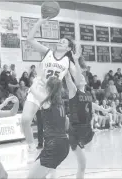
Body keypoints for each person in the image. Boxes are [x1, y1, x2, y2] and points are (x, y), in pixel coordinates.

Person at [21, 16, 83, 160]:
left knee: (61, 125)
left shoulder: (68, 61)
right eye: (60, 40)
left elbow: (79, 81)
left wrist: (77, 60)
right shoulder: (47, 52)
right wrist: (41, 21)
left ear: (68, 48)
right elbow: (29, 39)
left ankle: (74, 138)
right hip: (38, 89)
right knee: (25, 120)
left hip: (52, 95)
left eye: (64, 42)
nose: (60, 41)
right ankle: (31, 145)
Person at [64, 54, 111, 179]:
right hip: (75, 131)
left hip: (85, 130)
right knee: (82, 164)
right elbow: (68, 77)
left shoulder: (88, 93)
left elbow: (91, 104)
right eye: (79, 76)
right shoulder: (73, 90)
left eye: (83, 76)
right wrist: (69, 61)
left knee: (83, 165)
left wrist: (102, 108)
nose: (82, 77)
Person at [27, 77, 69, 178]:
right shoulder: (61, 103)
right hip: (64, 144)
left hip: (53, 145)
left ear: (48, 88)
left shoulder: (46, 101)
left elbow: (32, 89)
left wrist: (36, 80)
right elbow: (66, 123)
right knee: (45, 174)